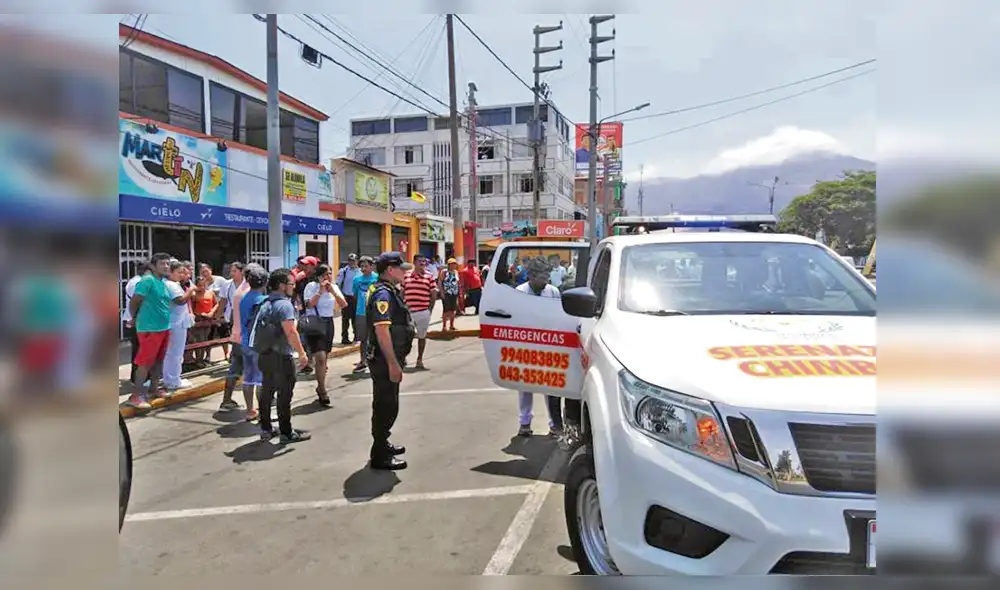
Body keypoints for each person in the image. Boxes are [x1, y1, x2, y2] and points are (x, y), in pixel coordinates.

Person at [366, 252, 416, 470]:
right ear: (389, 270)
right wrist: (393, 363)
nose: (405, 272)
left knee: (387, 404)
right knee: (386, 406)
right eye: (401, 269)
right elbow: (382, 331)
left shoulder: (387, 290)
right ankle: (379, 455)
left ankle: (382, 443)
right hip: (384, 360)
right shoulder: (383, 295)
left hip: (388, 358)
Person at [253, 268, 311, 443]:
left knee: (267, 391)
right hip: (281, 356)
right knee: (284, 395)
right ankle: (286, 432)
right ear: (281, 285)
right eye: (291, 284)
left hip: (265, 354)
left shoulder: (264, 303)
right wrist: (302, 354)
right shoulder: (284, 305)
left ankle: (266, 429)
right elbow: (291, 332)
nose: (293, 287)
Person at [515, 256, 564, 437]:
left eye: (547, 278)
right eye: (542, 278)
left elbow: (558, 316)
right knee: (525, 387)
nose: (545, 282)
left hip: (548, 346)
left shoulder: (553, 291)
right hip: (526, 346)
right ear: (532, 276)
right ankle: (525, 423)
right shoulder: (519, 292)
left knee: (550, 387)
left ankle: (554, 425)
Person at [127, 253, 173, 409]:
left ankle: (154, 388)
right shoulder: (147, 281)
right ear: (153, 266)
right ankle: (136, 396)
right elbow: (134, 301)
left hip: (163, 327)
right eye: (162, 264)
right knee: (145, 362)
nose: (166, 266)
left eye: (167, 264)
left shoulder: (163, 282)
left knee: (158, 360)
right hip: (149, 328)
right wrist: (134, 318)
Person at [303, 264, 347, 405]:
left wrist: (333, 292)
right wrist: (320, 291)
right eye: (324, 275)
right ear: (318, 276)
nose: (327, 277)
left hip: (328, 323)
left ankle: (320, 384)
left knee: (324, 359)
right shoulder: (311, 287)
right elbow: (309, 305)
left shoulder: (334, 287)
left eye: (329, 274)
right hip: (315, 323)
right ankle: (322, 389)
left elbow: (343, 304)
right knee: (320, 358)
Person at [237, 264, 269, 422]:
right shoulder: (264, 301)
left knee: (249, 377)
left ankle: (250, 410)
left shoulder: (243, 298)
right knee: (262, 380)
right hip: (260, 344)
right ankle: (263, 412)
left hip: (245, 342)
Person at [162, 260, 195, 393]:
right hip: (176, 323)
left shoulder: (170, 284)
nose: (182, 275)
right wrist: (191, 290)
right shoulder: (172, 285)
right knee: (175, 353)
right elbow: (180, 301)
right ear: (171, 272)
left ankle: (170, 378)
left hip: (174, 322)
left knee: (171, 353)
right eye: (179, 272)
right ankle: (173, 380)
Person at [219, 262, 247, 409]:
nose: (232, 273)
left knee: (236, 366)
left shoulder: (244, 288)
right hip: (245, 333)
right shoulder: (244, 289)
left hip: (237, 331)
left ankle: (226, 400)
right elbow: (223, 302)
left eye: (235, 271)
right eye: (231, 271)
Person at [402, 254, 437, 369]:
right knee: (406, 337)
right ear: (414, 262)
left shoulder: (429, 276)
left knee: (422, 336)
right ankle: (403, 357)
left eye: (424, 261)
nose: (422, 263)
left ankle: (419, 359)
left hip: (423, 311)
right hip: (408, 312)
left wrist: (429, 310)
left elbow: (433, 294)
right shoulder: (406, 275)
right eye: (420, 261)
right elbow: (402, 292)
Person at [122, 262, 150, 384]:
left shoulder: (136, 281)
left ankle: (140, 377)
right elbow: (138, 302)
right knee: (139, 350)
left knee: (140, 349)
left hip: (138, 319)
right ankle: (138, 379)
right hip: (137, 320)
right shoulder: (137, 283)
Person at [351, 256, 379, 373]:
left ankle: (376, 359)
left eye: (366, 266)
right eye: (361, 266)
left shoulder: (377, 278)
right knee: (363, 338)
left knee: (376, 337)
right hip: (361, 312)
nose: (363, 268)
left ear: (372, 266)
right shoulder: (357, 280)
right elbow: (355, 295)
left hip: (375, 312)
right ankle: (363, 361)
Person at [335, 253, 361, 344]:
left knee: (356, 319)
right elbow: (337, 284)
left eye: (353, 261)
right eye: (350, 261)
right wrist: (340, 297)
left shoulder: (361, 271)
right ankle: (344, 338)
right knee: (345, 319)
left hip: (357, 298)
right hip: (346, 297)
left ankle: (357, 337)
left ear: (357, 261)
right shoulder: (344, 271)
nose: (351, 263)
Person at [439, 258, 460, 331]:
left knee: (453, 310)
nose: (453, 265)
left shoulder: (456, 272)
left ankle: (451, 325)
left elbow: (457, 283)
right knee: (446, 310)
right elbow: (440, 282)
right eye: (452, 264)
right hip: (446, 293)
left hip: (454, 293)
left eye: (454, 264)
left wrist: (459, 293)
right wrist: (441, 292)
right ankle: (444, 326)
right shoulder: (444, 272)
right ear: (448, 265)